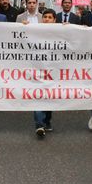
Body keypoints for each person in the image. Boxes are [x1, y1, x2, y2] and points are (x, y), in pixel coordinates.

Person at [31, 9, 57, 138]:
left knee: (49, 97)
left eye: (50, 17)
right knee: (38, 96)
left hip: (54, 71)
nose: (47, 19)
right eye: (45, 17)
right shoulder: (35, 32)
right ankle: (39, 124)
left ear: (54, 20)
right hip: (37, 70)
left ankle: (47, 120)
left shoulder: (62, 33)